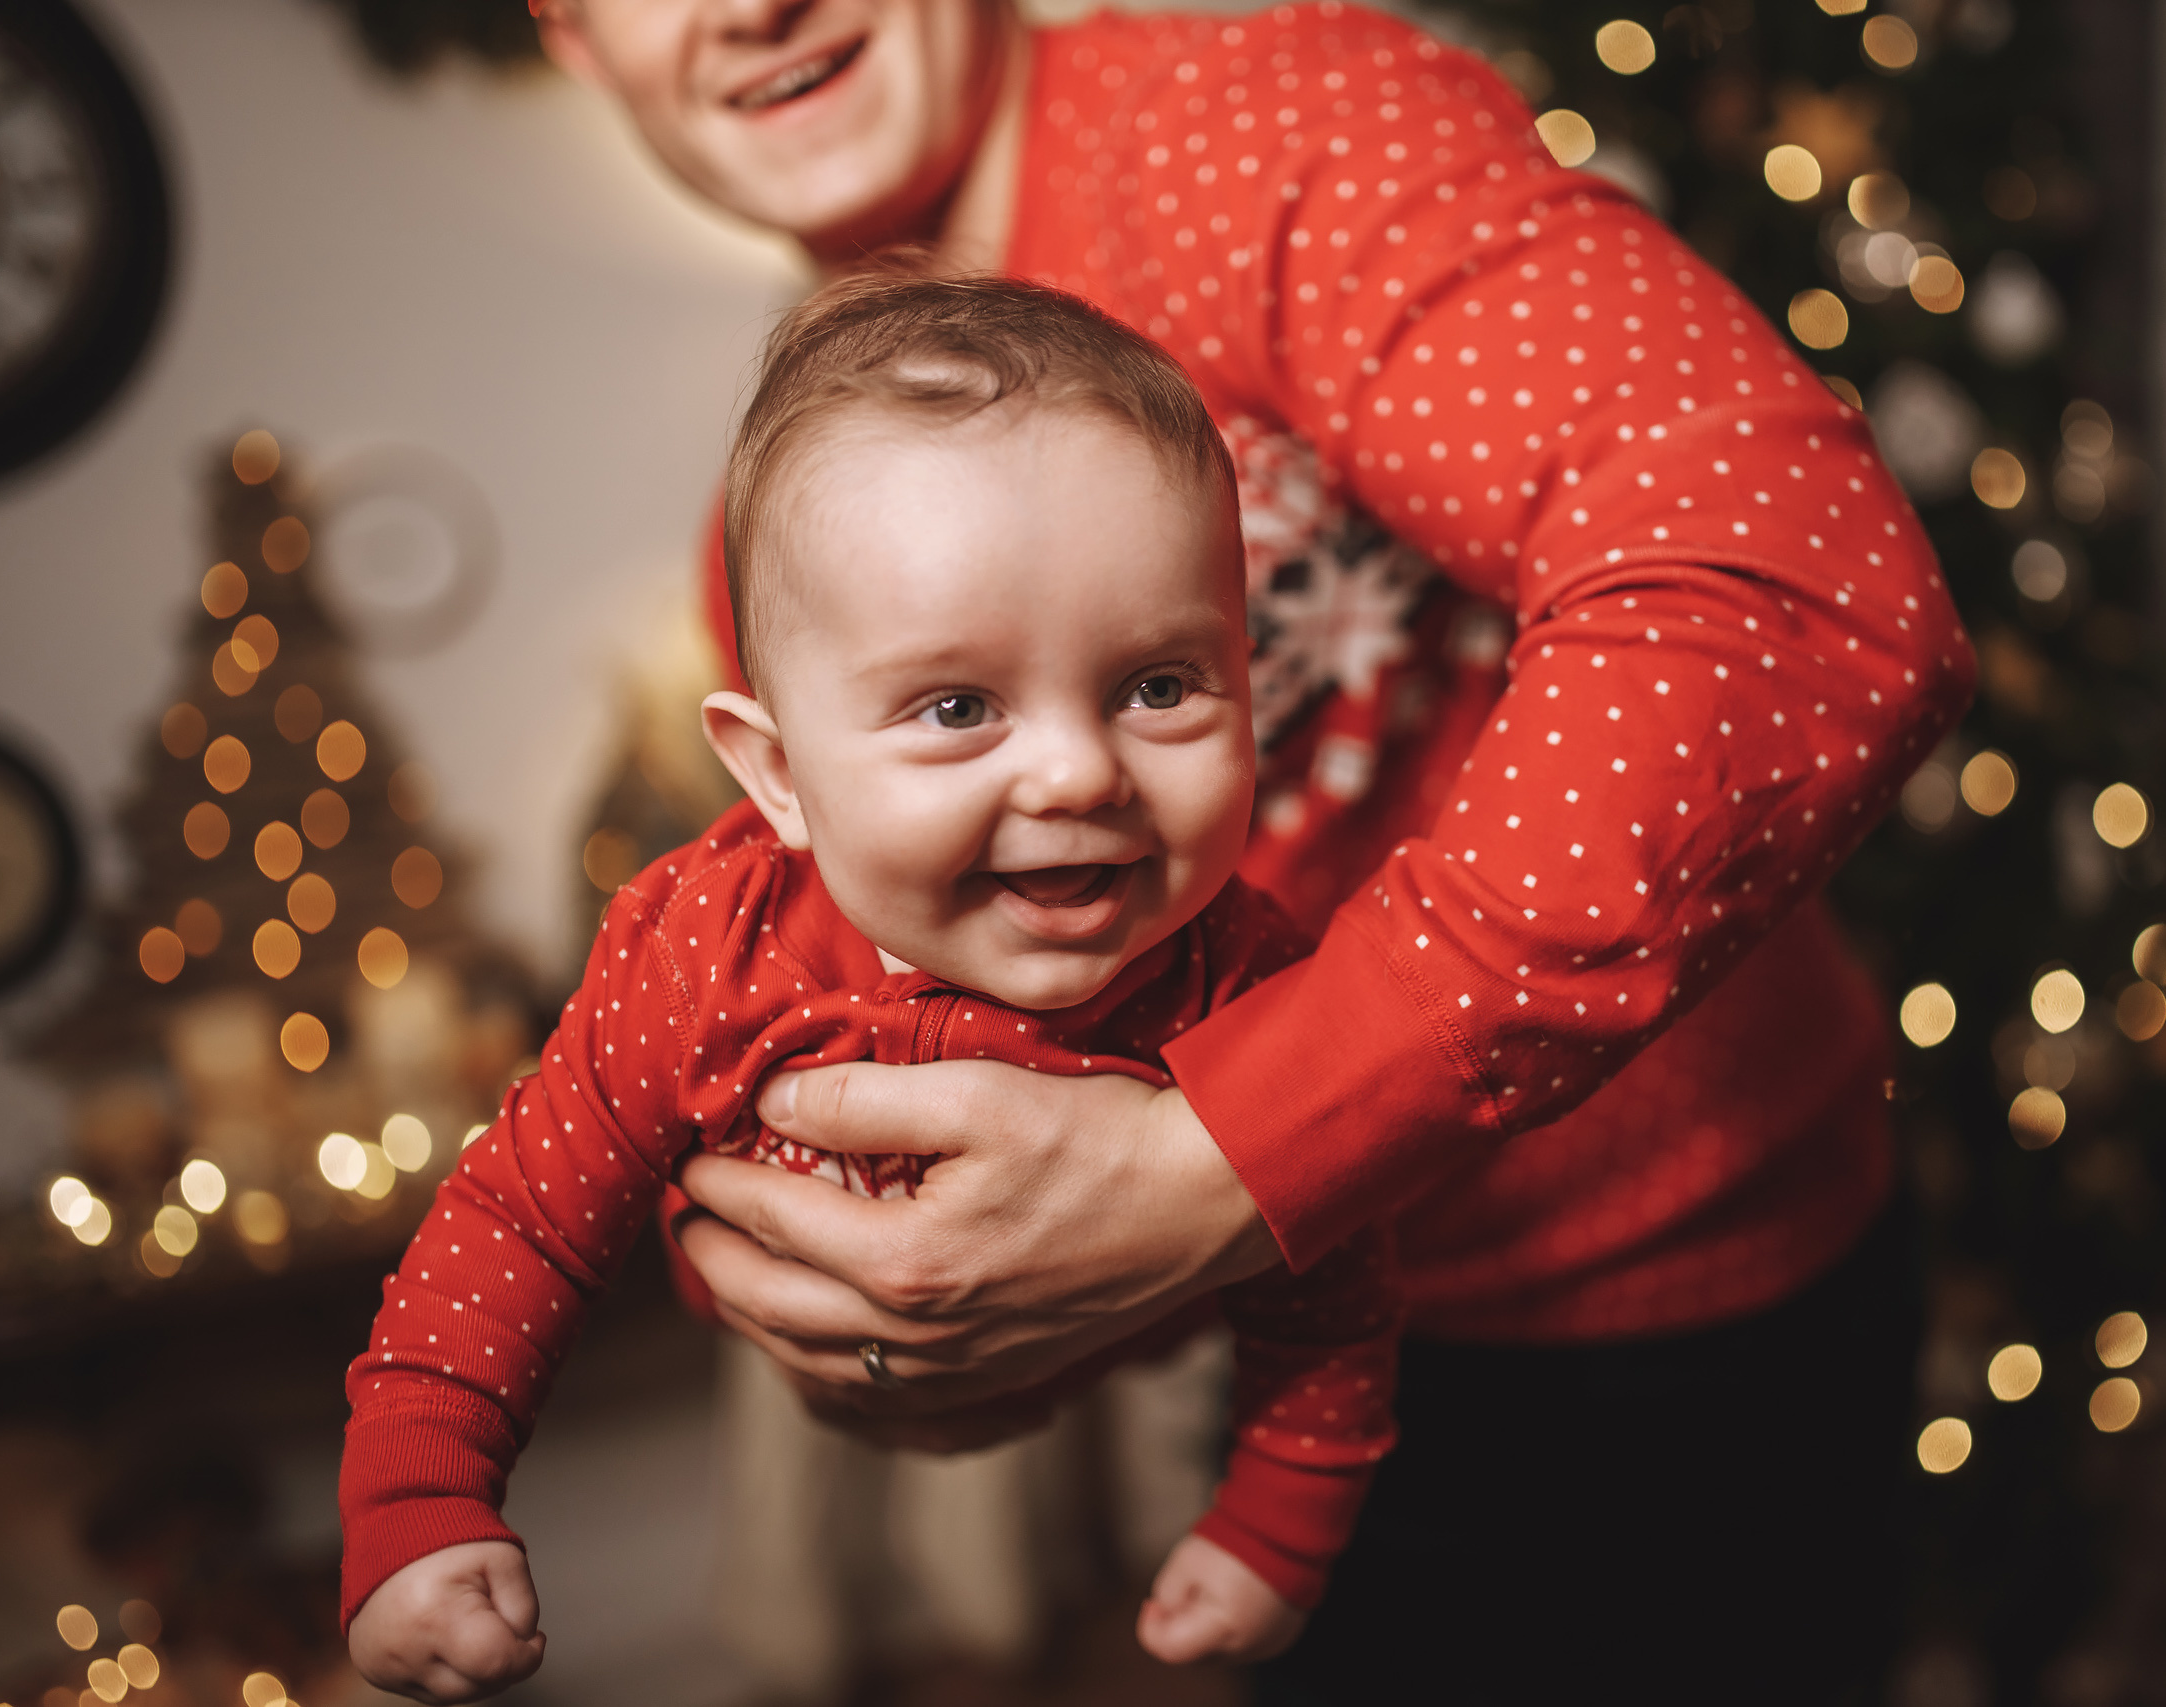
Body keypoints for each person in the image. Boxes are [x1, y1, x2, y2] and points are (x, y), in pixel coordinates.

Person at [533, 0, 1975, 1695]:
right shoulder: (790, 537)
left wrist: (1235, 1151)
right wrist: (887, 1313)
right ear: (571, 35)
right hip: (1299, 1369)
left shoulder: (1259, 131)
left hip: (1683, 1327)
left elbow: (1789, 583)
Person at [339, 274, 1401, 1700]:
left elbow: (1329, 1281)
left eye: (1158, 684)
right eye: (959, 707)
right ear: (777, 773)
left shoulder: (1241, 973)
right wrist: (422, 1499)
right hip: (798, 1329)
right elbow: (518, 1217)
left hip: (1140, 1366)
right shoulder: (701, 954)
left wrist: (1280, 1519)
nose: (1081, 773)